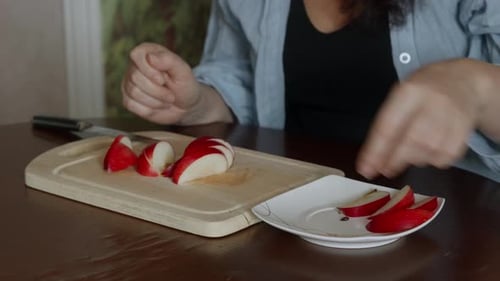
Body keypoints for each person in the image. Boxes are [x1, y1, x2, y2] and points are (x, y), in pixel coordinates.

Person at [121, 0, 500, 182]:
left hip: (458, 236)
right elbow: (243, 82)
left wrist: (473, 86)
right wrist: (195, 103)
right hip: (289, 214)